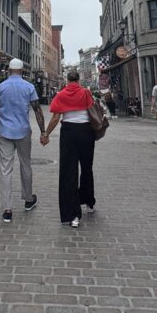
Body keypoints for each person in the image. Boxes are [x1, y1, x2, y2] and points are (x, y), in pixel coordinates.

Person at [0, 59, 45, 223]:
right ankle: (28, 199)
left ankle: (7, 209)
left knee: (5, 168)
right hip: (23, 131)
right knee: (26, 164)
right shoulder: (29, 87)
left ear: (8, 70)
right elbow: (37, 110)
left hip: (5, 131)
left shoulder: (1, 87)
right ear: (22, 70)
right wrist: (43, 131)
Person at [42, 71, 96, 229]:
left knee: (69, 172)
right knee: (87, 168)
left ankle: (73, 215)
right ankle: (89, 201)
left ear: (67, 80)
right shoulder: (85, 92)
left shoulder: (61, 94)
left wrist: (46, 134)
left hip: (69, 133)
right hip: (86, 132)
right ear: (78, 80)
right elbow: (91, 109)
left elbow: (55, 118)